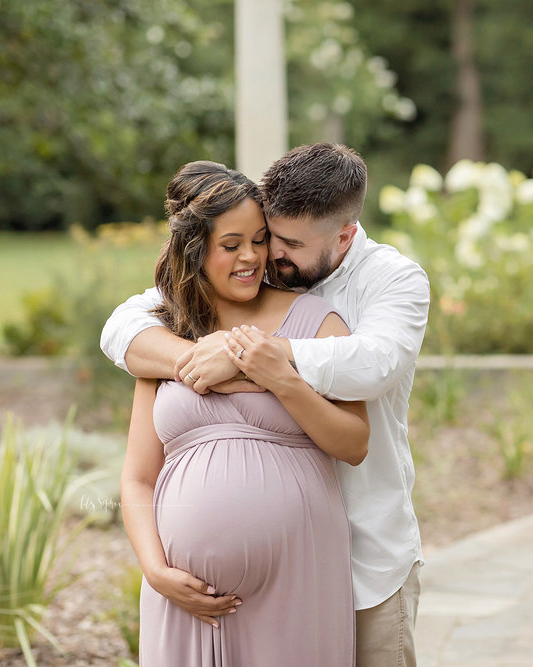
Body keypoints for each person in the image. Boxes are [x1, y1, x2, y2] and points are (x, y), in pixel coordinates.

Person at [102, 143, 430, 667]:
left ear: (343, 236)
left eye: (282, 243)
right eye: (260, 237)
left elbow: (372, 366)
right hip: (195, 601)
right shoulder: (236, 289)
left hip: (360, 552)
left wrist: (257, 363)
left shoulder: (392, 282)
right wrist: (199, 358)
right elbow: (124, 328)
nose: (266, 255)